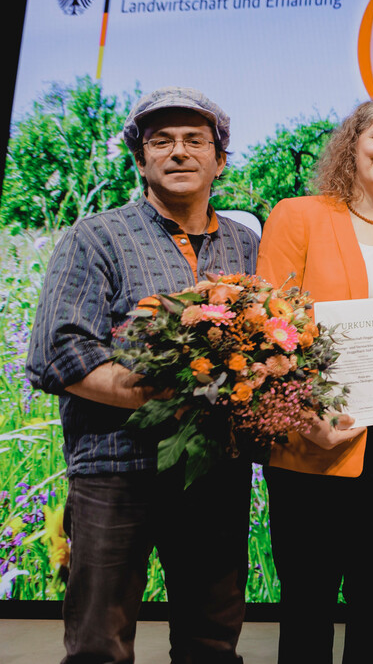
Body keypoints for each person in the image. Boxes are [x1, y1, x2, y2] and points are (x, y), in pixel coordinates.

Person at [26, 87, 259, 663]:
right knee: (98, 645)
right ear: (141, 160)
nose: (179, 152)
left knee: (212, 642)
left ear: (219, 160)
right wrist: (164, 395)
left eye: (194, 141)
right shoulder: (95, 236)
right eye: (161, 142)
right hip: (114, 469)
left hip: (215, 474)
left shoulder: (246, 244)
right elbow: (56, 353)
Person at [256, 99, 373, 664]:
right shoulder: (299, 215)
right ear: (352, 143)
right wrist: (304, 416)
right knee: (308, 604)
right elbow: (268, 326)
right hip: (314, 437)